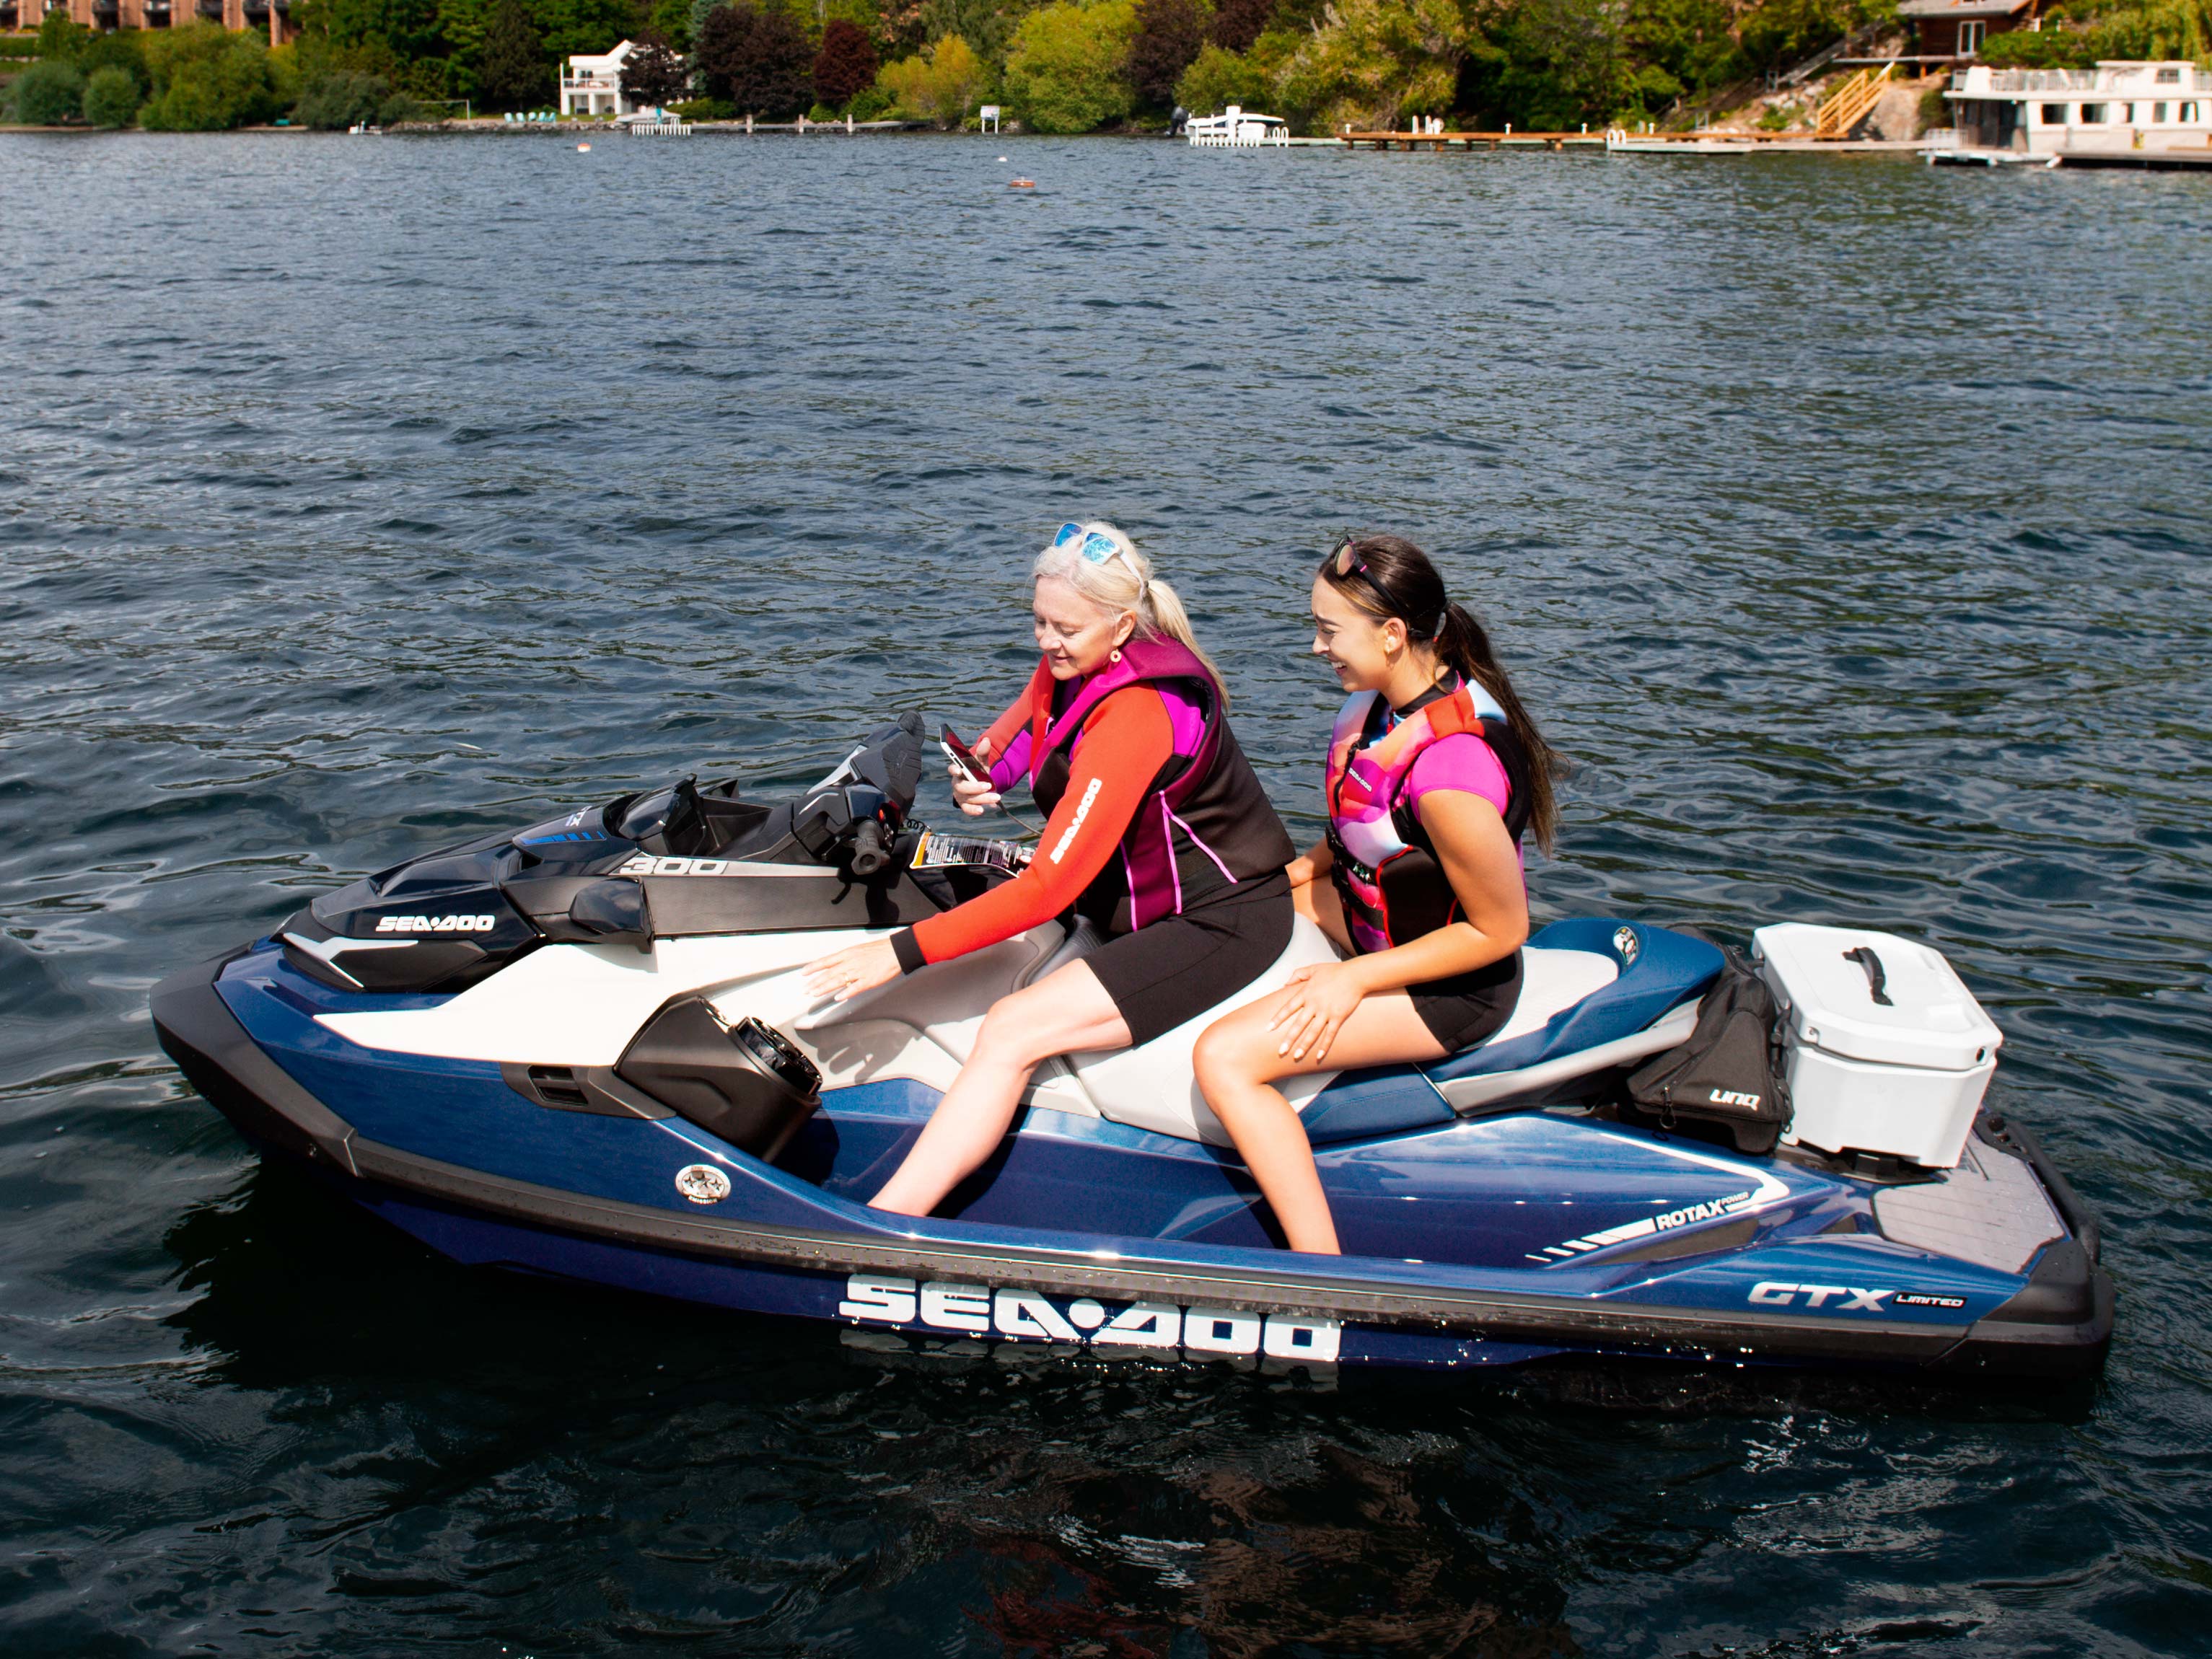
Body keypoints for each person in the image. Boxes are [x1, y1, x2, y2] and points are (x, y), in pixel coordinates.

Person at [803, 521, 1296, 1217]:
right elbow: (1016, 737)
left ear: (1123, 626)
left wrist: (898, 954)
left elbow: (1050, 887)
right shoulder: (1071, 663)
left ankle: (887, 1222)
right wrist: (980, 778)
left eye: (1063, 628)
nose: (1045, 641)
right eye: (1038, 621)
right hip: (1125, 906)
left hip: (1219, 921)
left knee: (1012, 1028)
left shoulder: (1138, 714)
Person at [1190, 534, 1561, 1255]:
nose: (1315, 647)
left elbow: (1500, 929)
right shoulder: (1382, 709)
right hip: (1375, 927)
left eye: (1329, 630)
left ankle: (1319, 1267)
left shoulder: (1451, 772)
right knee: (1223, 912)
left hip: (1452, 985)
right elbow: (1371, 824)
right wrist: (1296, 873)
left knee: (1225, 1059)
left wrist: (1348, 980)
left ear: (1393, 635)